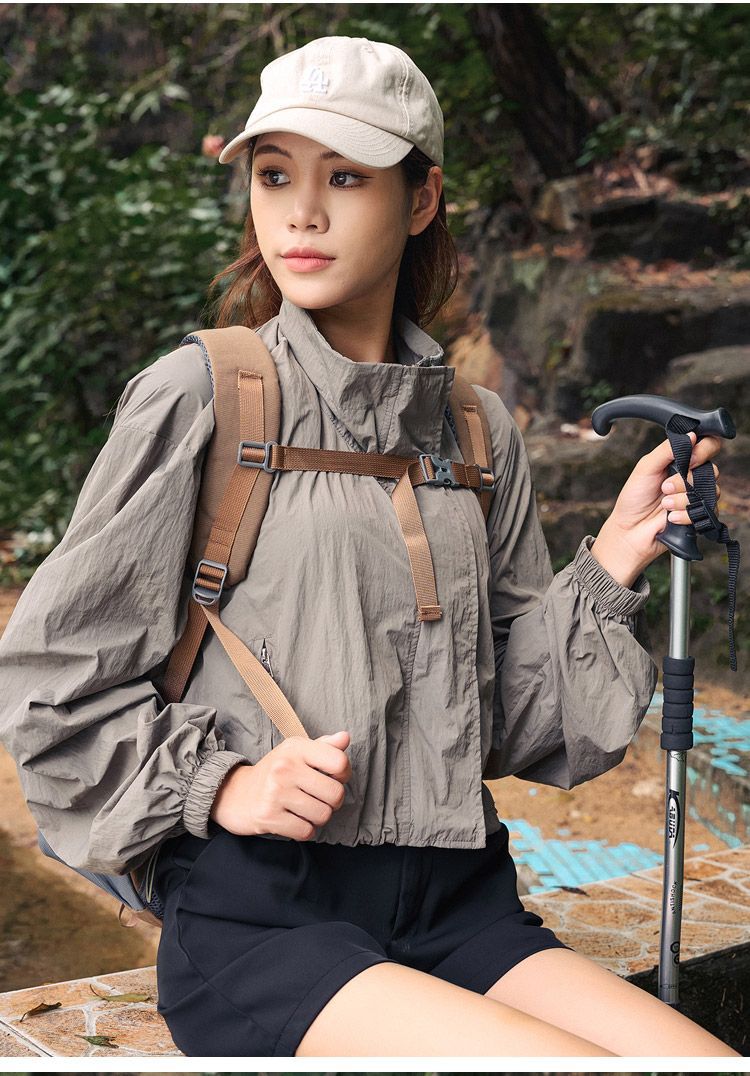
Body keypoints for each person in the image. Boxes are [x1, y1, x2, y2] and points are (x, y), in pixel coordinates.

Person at [0, 35, 738, 1059]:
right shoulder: (204, 393)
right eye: (275, 175)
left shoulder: (476, 430)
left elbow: (511, 725)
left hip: (459, 901)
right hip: (269, 916)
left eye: (345, 176)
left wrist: (611, 561)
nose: (301, 212)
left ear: (422, 198)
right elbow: (51, 682)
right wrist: (223, 786)